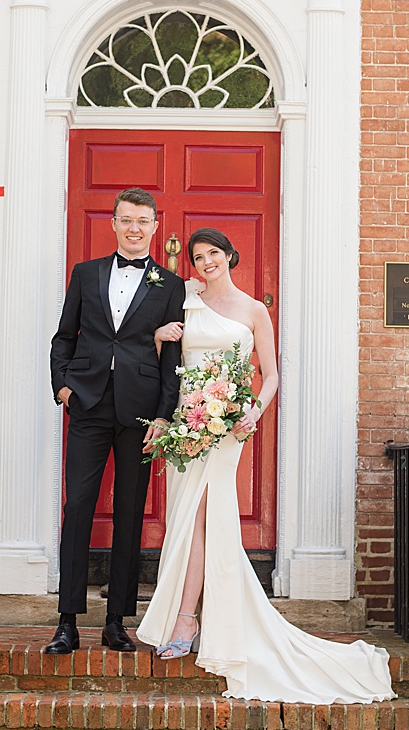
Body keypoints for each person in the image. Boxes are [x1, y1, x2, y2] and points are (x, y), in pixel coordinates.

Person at [134, 227, 394, 704]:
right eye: (198, 256)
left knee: (206, 517)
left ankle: (187, 618)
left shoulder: (255, 310)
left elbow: (271, 373)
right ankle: (190, 616)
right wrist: (154, 336)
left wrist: (253, 410)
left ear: (230, 255)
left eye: (213, 253)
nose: (206, 262)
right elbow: (161, 357)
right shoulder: (183, 297)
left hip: (227, 425)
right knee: (188, 519)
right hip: (186, 421)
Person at [47, 187, 187, 655]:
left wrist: (165, 416)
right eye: (126, 220)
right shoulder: (86, 274)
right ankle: (67, 621)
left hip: (141, 411)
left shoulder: (170, 284)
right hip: (87, 404)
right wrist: (63, 387)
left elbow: (173, 362)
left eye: (143, 221)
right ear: (113, 223)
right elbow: (64, 336)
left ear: (154, 226)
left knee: (129, 512)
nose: (134, 228)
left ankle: (116, 621)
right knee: (78, 508)